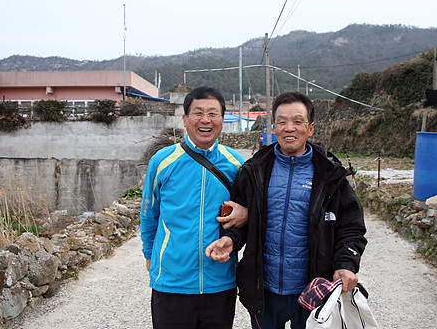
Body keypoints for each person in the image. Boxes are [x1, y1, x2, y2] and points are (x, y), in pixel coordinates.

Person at [206, 91, 367, 329]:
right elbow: (242, 219)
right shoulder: (254, 171)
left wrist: (346, 263)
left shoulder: (331, 175)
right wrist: (230, 239)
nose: (289, 128)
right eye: (282, 121)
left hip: (314, 292)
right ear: (274, 126)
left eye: (297, 121)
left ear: (310, 128)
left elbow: (351, 227)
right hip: (264, 292)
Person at [140, 86, 247, 329]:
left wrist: (246, 214)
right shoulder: (162, 161)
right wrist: (149, 255)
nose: (205, 120)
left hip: (219, 282)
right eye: (198, 113)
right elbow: (149, 214)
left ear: (223, 119)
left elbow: (248, 218)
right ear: (185, 119)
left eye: (213, 113)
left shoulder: (236, 164)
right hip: (171, 283)